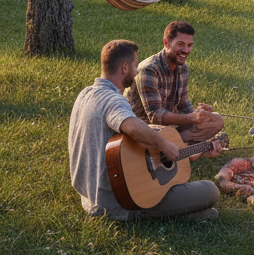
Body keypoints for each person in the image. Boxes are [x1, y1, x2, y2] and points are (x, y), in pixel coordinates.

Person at [68, 39, 223, 221]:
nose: (136, 71)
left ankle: (184, 213)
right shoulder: (113, 101)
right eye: (135, 66)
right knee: (210, 190)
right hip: (117, 202)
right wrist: (163, 144)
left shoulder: (85, 93)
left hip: (88, 197)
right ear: (124, 67)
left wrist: (199, 151)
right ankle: (158, 214)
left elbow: (129, 140)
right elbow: (132, 127)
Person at [125, 21, 226, 143]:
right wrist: (190, 118)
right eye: (180, 44)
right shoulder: (149, 69)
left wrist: (201, 115)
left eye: (189, 45)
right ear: (166, 43)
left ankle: (180, 146)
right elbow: (155, 116)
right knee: (164, 134)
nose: (186, 50)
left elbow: (184, 106)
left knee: (217, 120)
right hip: (144, 129)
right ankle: (179, 146)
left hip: (169, 127)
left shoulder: (183, 68)